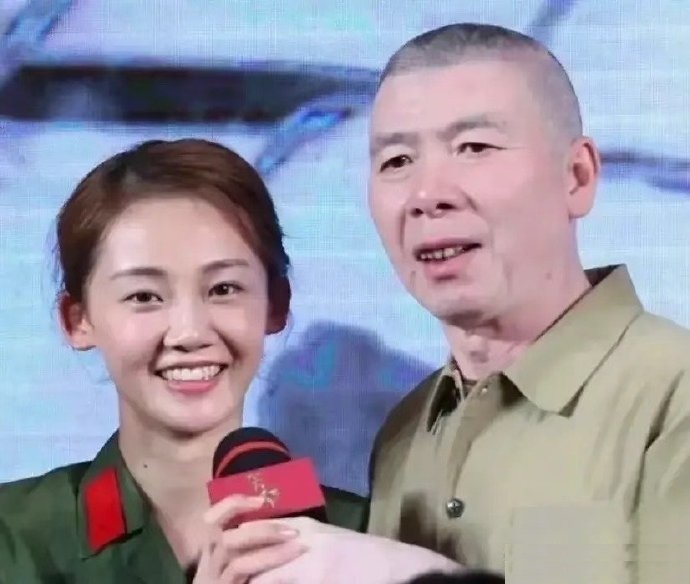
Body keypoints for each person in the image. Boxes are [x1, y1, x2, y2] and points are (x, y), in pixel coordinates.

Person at [221, 23, 690, 583]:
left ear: (577, 176)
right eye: (397, 161)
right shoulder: (403, 435)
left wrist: (413, 572)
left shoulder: (672, 400)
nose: (427, 195)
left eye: (474, 148)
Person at [0, 139, 458, 584]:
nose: (190, 332)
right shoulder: (15, 537)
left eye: (223, 289)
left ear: (275, 303)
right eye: (144, 296)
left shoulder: (363, 539)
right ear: (77, 319)